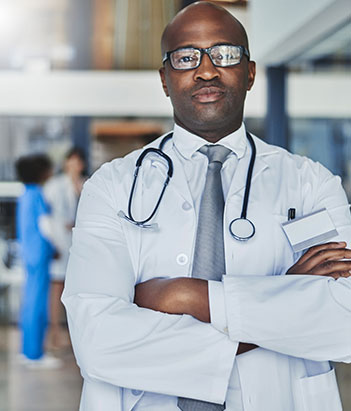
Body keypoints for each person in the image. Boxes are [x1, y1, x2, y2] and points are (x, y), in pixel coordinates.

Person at [62, 2, 351, 410]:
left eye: (225, 53)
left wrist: (186, 296)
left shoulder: (310, 183)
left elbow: (344, 321)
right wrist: (282, 295)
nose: (206, 70)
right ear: (165, 79)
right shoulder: (112, 187)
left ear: (250, 72)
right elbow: (98, 341)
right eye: (186, 57)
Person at [15, 154, 62, 369]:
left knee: (30, 301)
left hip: (29, 254)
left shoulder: (25, 195)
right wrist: (55, 247)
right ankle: (35, 354)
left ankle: (27, 350)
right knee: (38, 303)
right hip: (40, 254)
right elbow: (45, 225)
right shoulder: (37, 195)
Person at [44, 147, 86, 350]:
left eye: (78, 162)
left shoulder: (86, 184)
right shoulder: (55, 185)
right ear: (65, 163)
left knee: (77, 291)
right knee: (57, 289)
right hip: (60, 244)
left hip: (79, 246)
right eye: (71, 161)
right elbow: (48, 217)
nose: (74, 166)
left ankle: (73, 335)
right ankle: (55, 333)